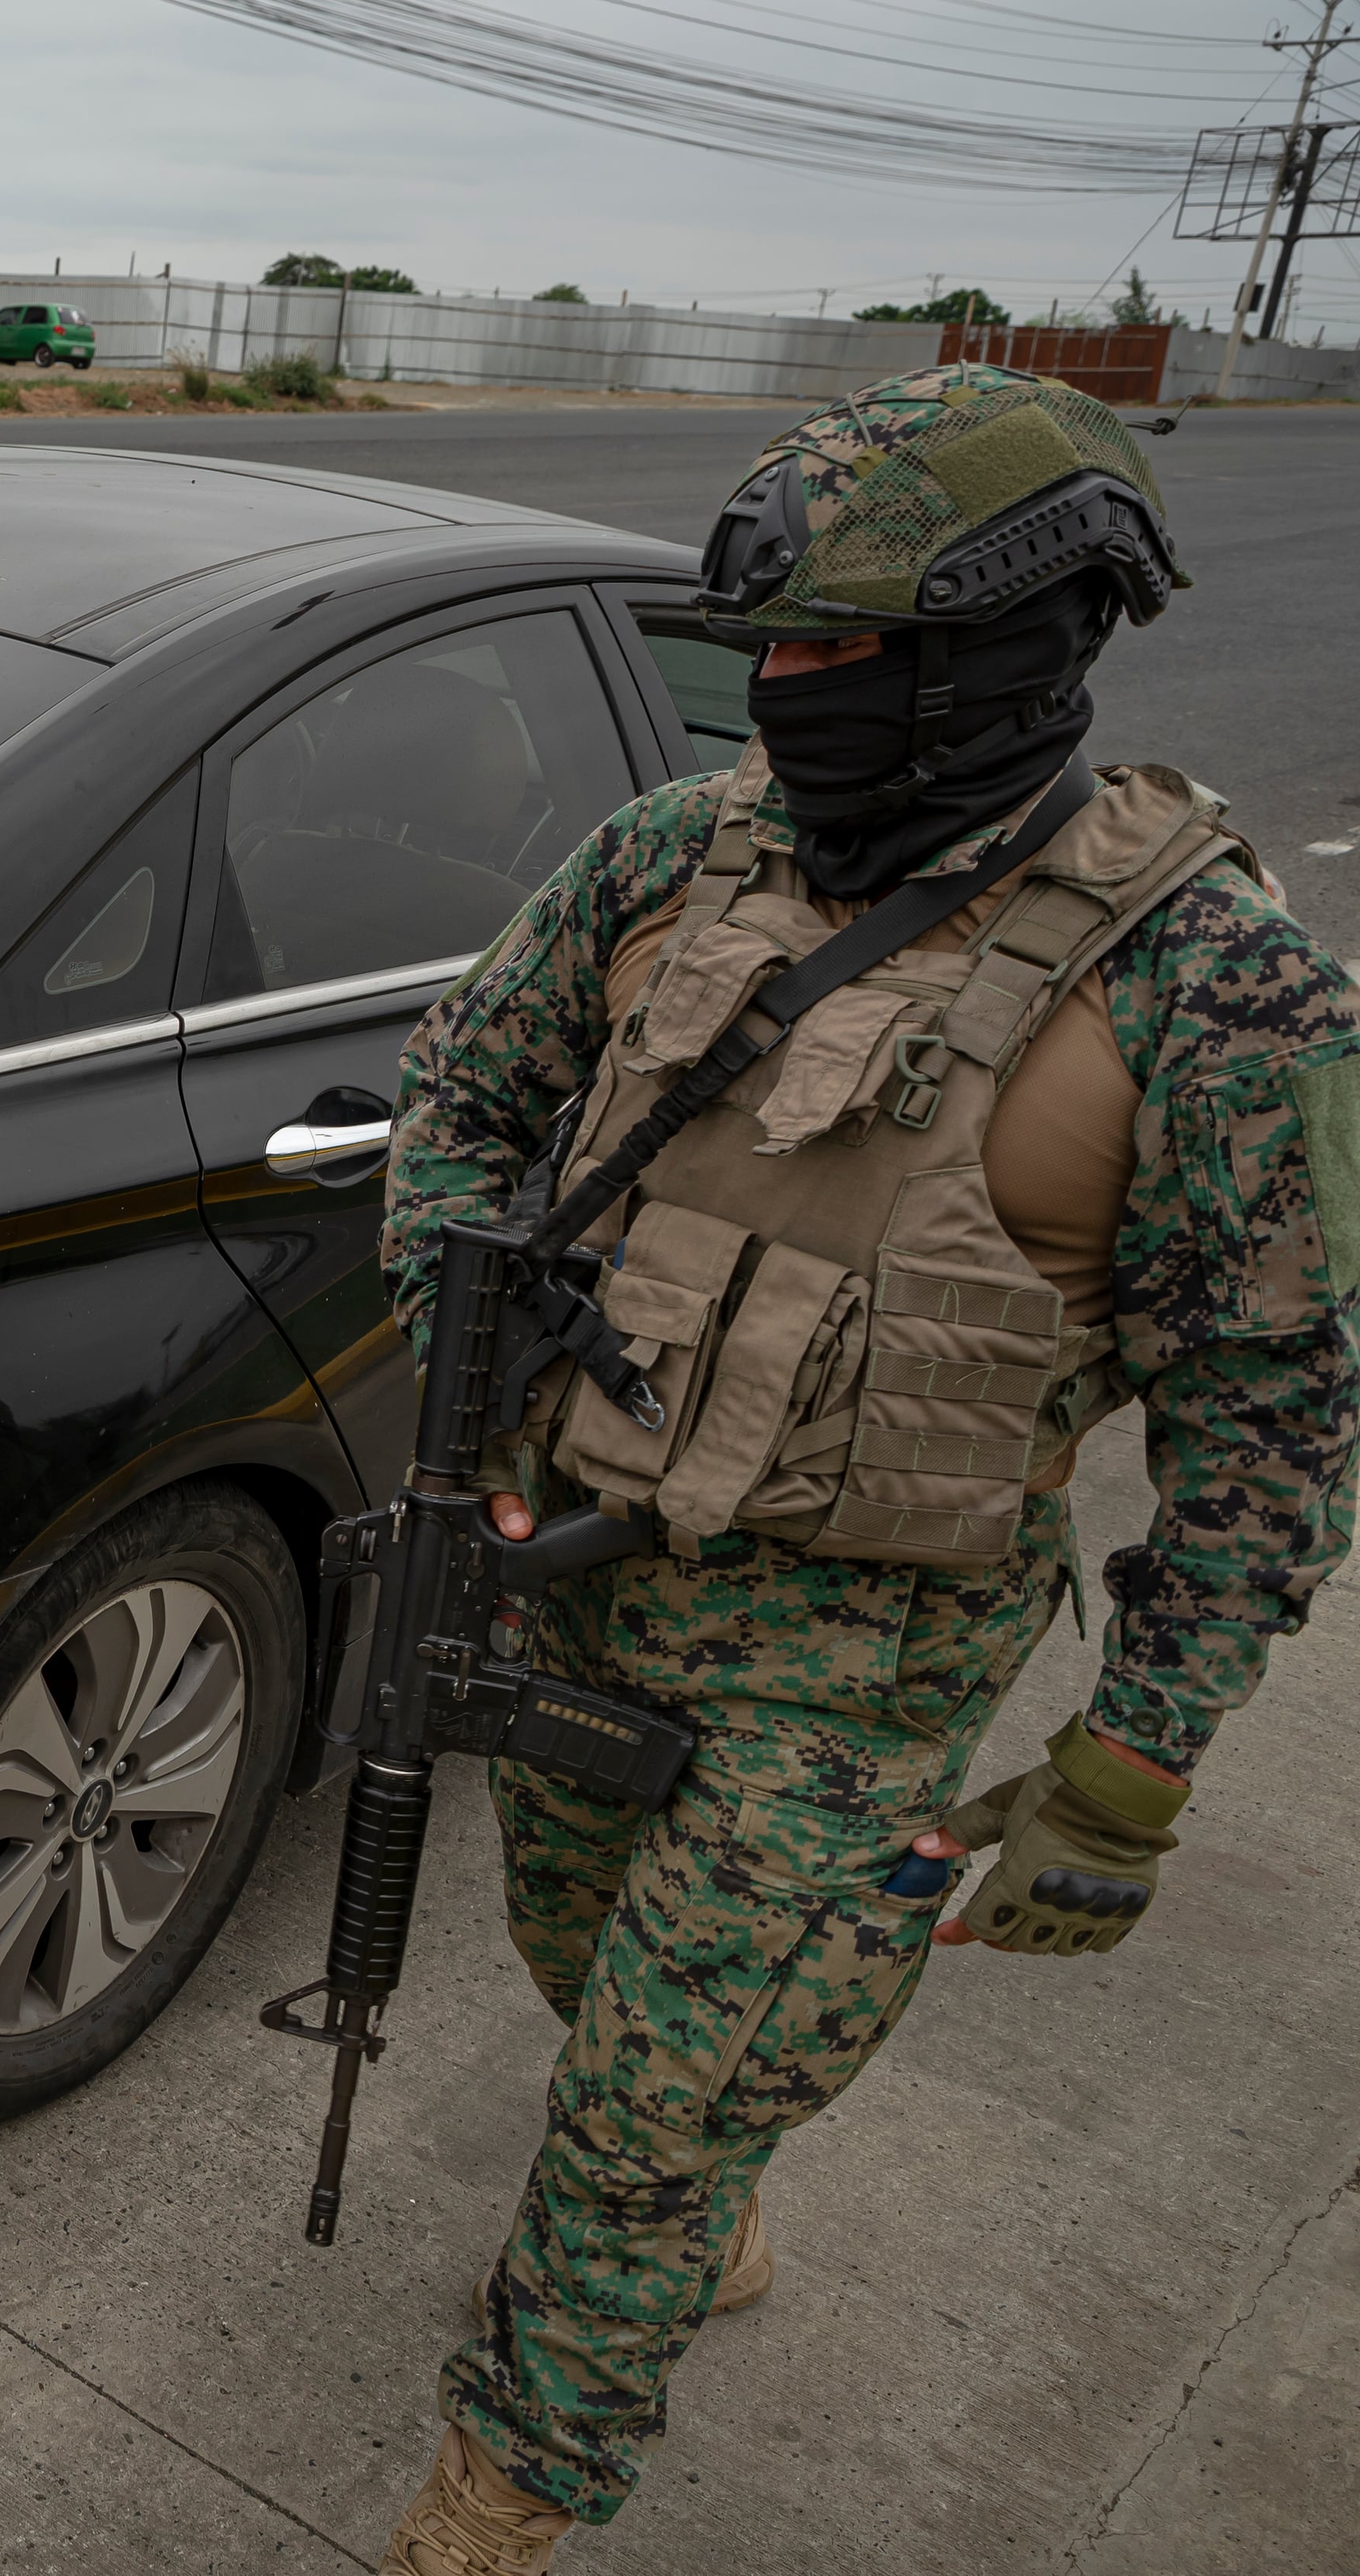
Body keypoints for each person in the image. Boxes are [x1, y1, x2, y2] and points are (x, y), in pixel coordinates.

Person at [371, 363, 1358, 2568]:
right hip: (579, 1566)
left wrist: (1143, 1751)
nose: (786, 693)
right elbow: (461, 1092)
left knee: (639, 2107)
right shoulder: (674, 854)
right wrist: (466, 1359)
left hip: (864, 1658)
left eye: (844, 652)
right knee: (572, 1966)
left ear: (1005, 656)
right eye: (775, 648)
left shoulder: (1218, 988)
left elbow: (1279, 1417)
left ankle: (500, 2491)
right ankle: (694, 2218)